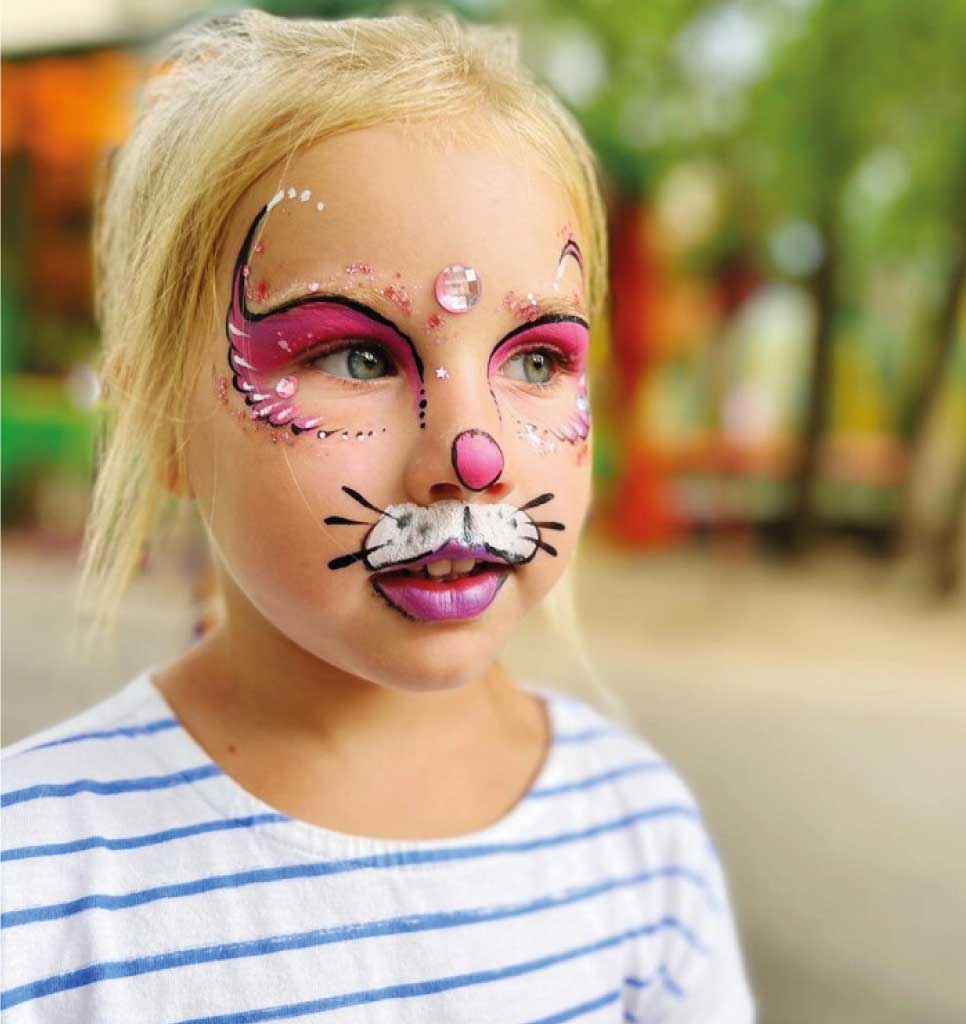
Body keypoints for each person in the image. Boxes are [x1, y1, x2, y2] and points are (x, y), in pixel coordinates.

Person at [0, 9, 756, 1022]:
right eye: (356, 357)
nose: (471, 454)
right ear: (160, 422)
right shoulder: (38, 881)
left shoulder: (636, 843)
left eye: (536, 360)